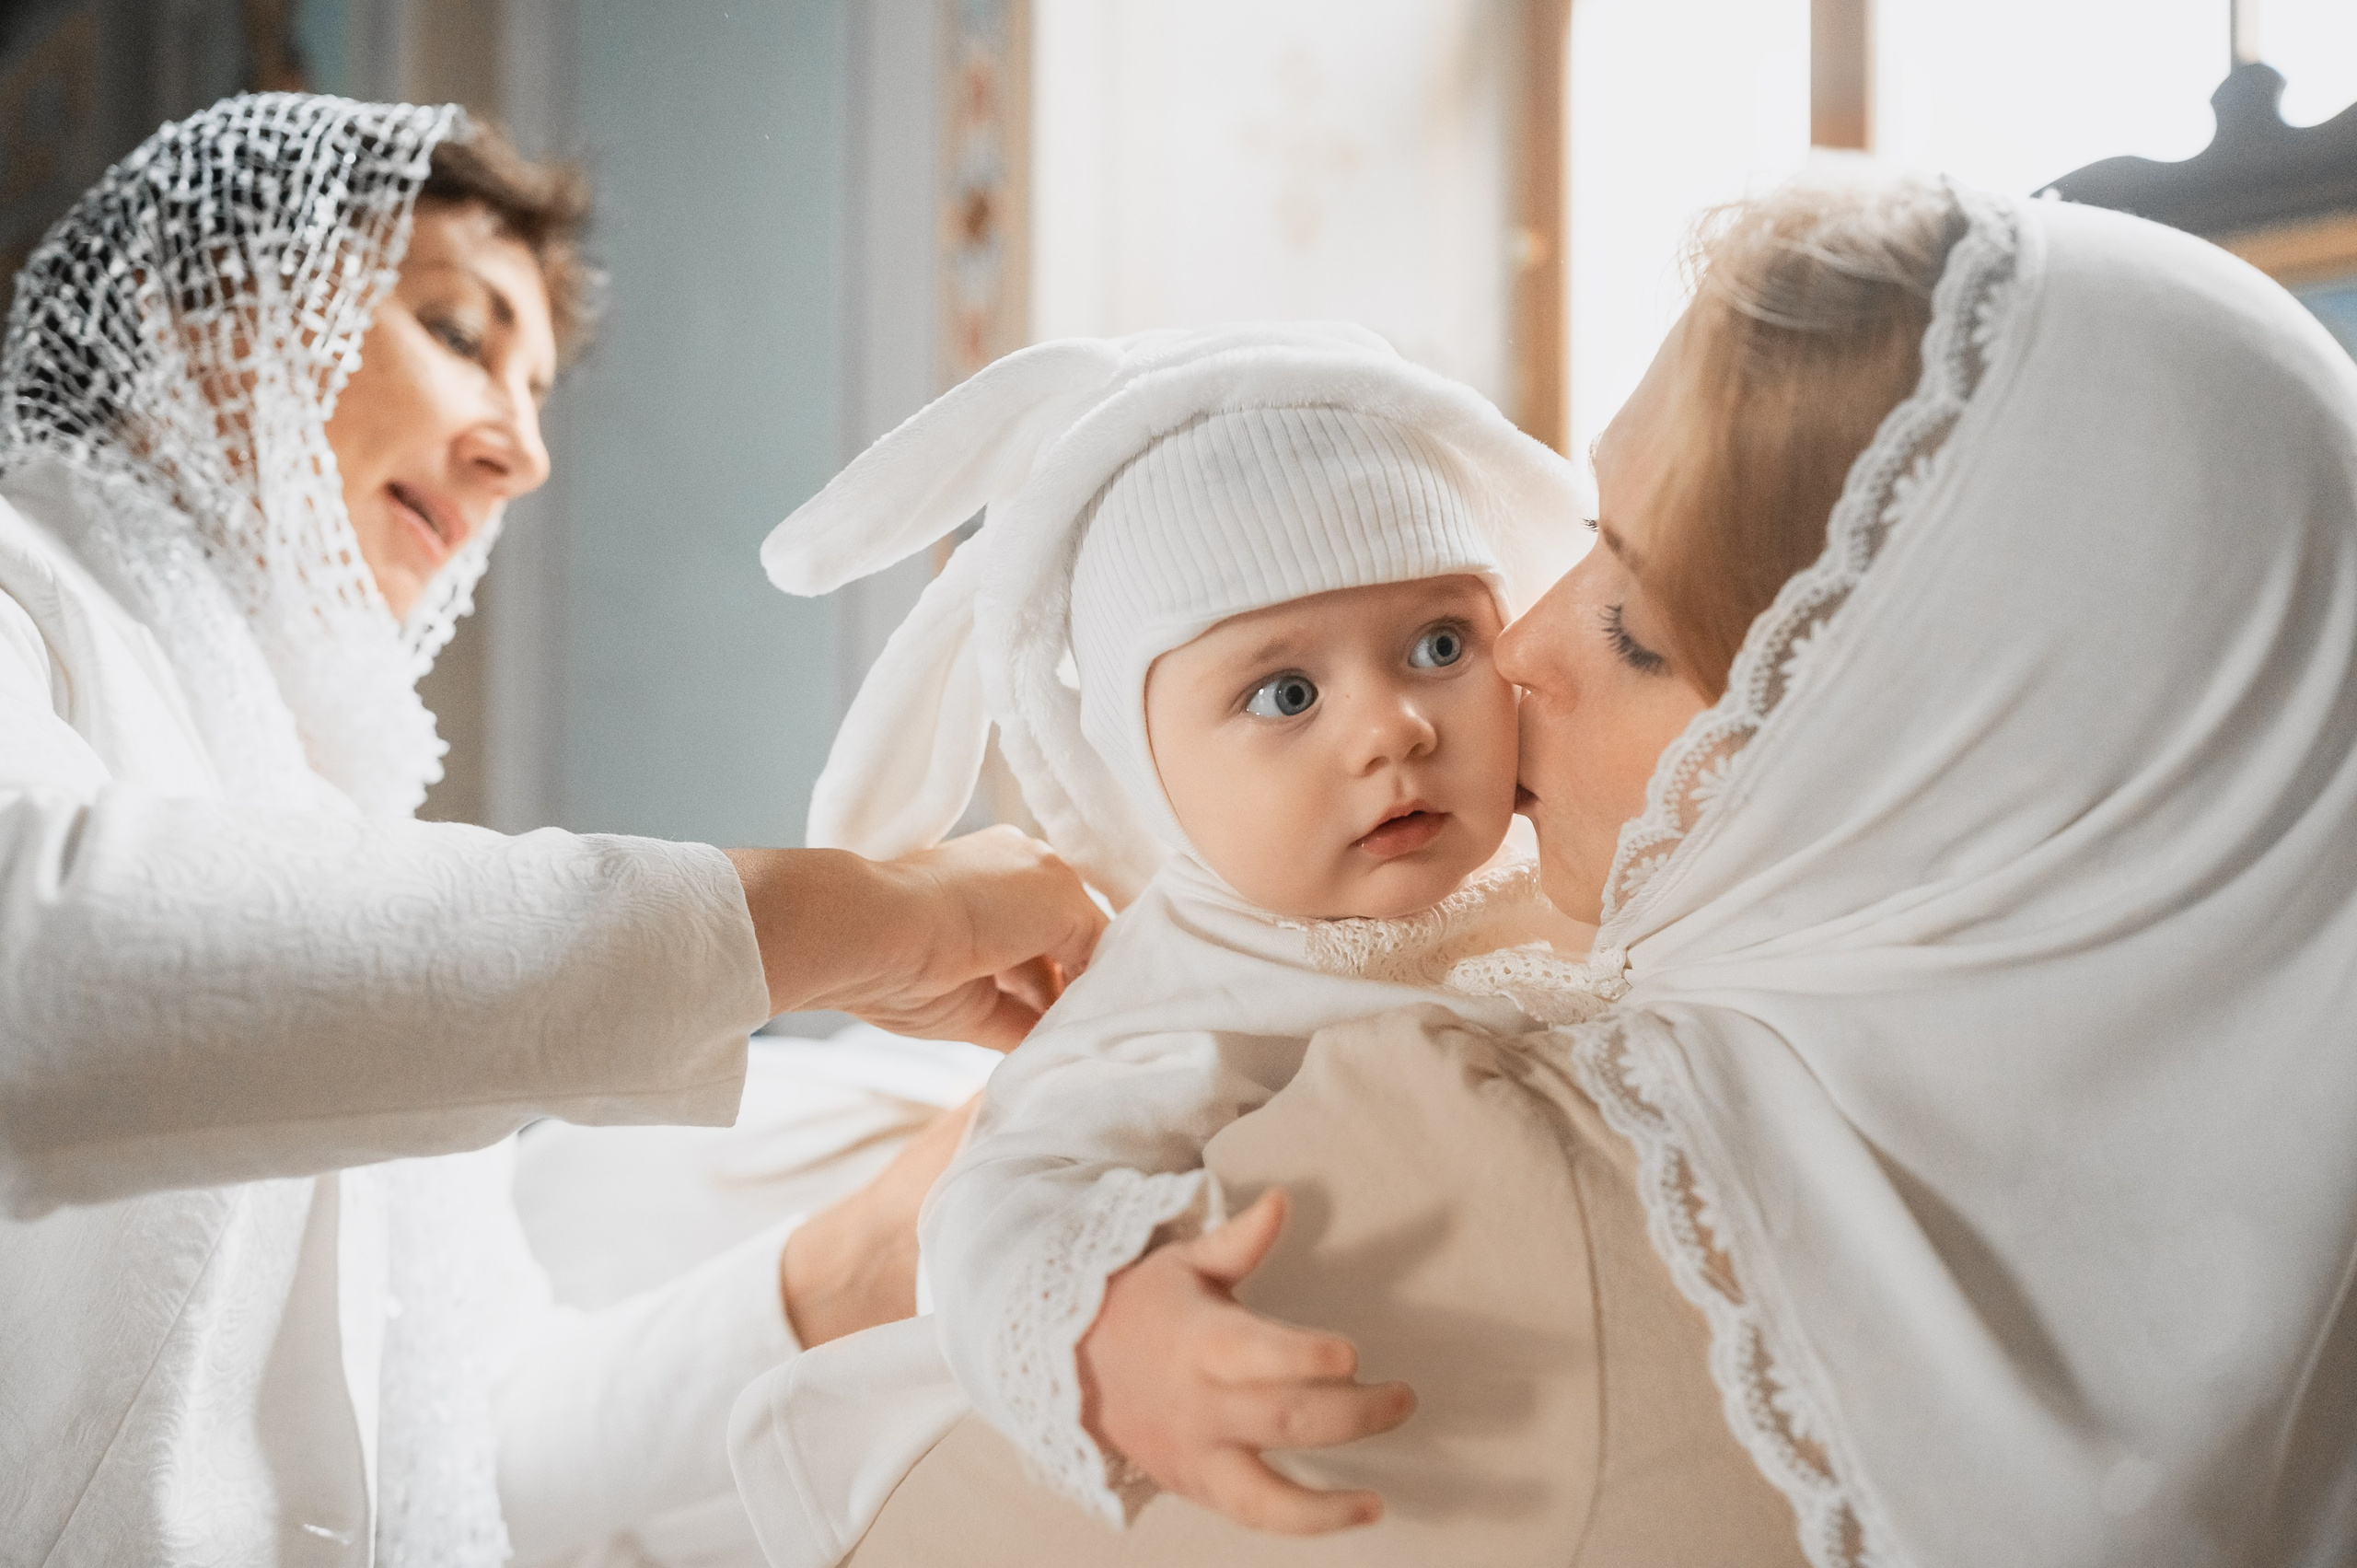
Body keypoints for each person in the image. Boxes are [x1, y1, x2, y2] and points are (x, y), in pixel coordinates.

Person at [754, 170, 2357, 1568]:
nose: (1517, 654)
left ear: (1925, 767)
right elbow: (1010, 1210)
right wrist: (1076, 1326)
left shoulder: (1505, 1176)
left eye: (1636, 630)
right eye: (1285, 691)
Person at [0, 94, 1103, 1568]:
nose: (522, 452)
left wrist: (867, 1254)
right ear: (207, 314)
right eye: (459, 332)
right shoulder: (22, 597)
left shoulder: (336, 843)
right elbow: (37, 962)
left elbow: (491, 1451)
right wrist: (839, 921)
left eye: (536, 389)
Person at [737, 325, 1636, 1558]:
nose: (1394, 728)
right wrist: (1101, 1331)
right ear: (1147, 764)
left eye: (1440, 645)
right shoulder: (1175, 994)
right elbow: (999, 1203)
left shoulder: (1577, 854)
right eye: (1286, 694)